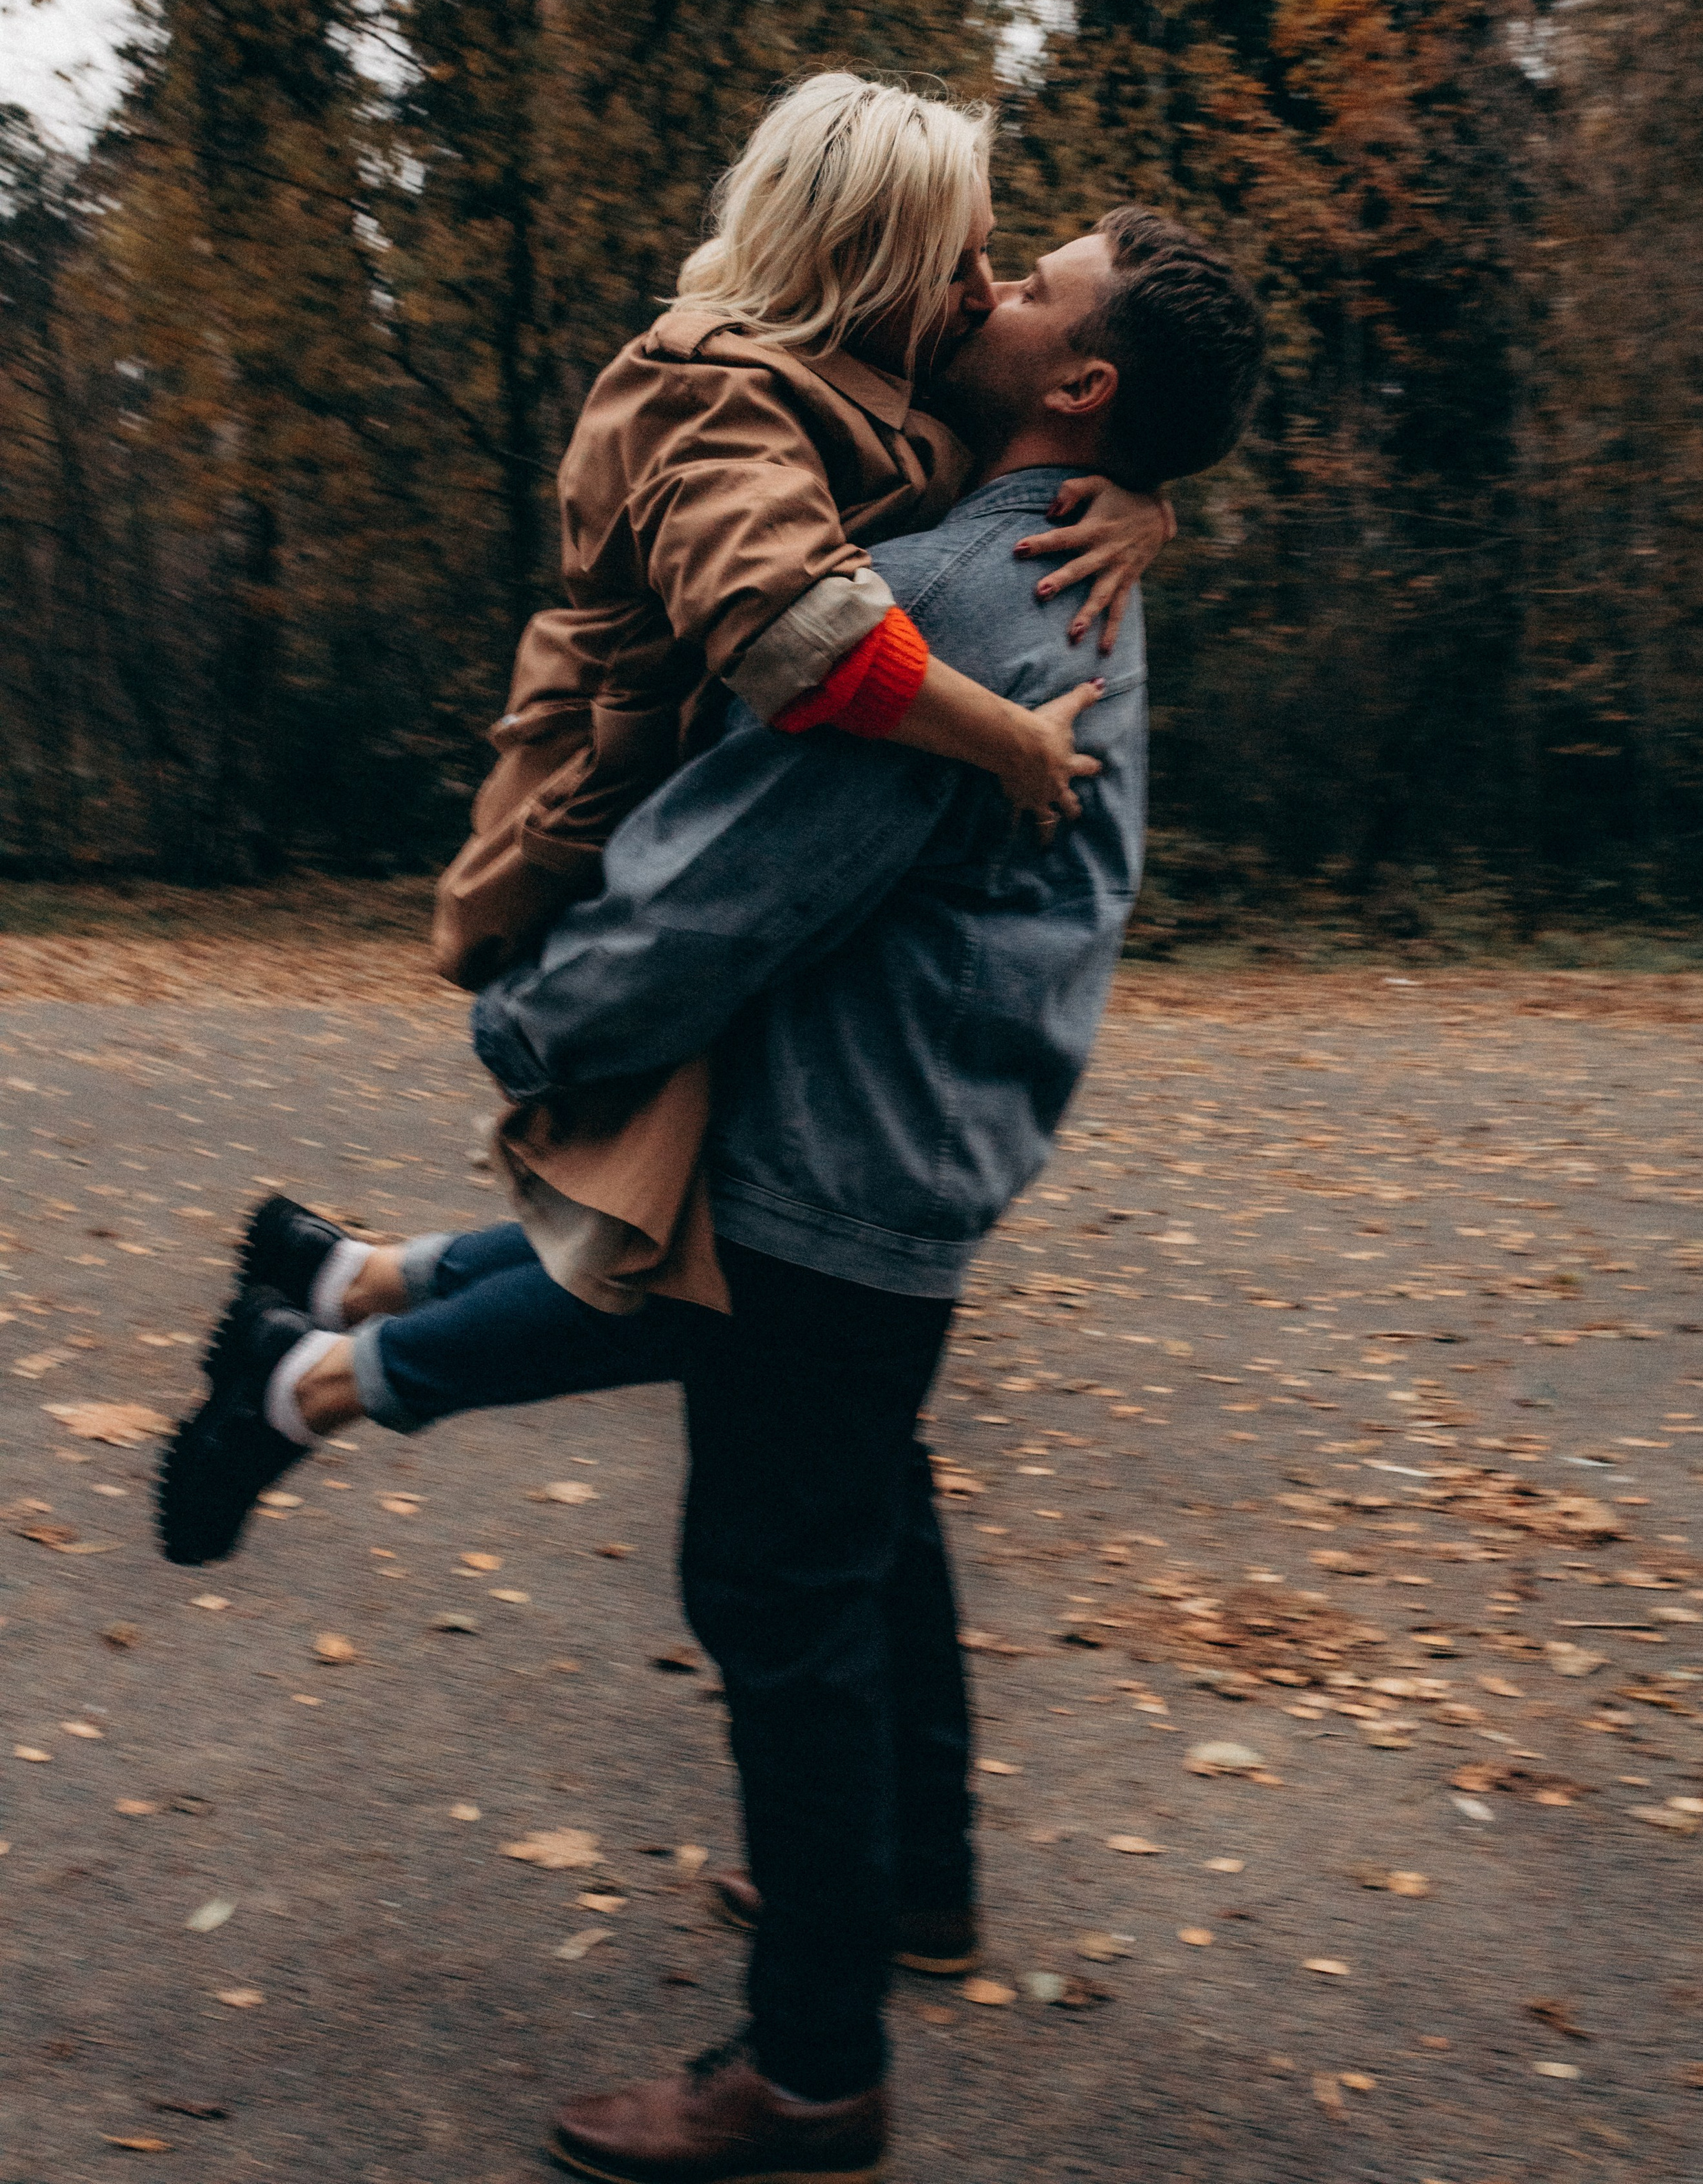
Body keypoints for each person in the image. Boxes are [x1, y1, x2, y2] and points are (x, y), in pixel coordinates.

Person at [157, 207, 1265, 2184]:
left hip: (841, 1161)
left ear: (1081, 390)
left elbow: (727, 883)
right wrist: (1153, 503)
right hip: (914, 1148)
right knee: (858, 1520)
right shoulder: (1060, 557)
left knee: (779, 1595)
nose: (984, 292)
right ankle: (908, 1891)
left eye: (1029, 288)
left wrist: (532, 1027)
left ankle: (813, 2077)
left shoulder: (956, 602)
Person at [428, 73, 1175, 1315]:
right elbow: (804, 639)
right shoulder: (712, 392)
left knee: (663, 1243)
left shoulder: (864, 366)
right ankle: (334, 1354)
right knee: (652, 1235)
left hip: (702, 780)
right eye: (962, 262)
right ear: (864, 268)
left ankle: (340, 1314)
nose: (985, 295)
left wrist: (1142, 500)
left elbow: (1075, 418)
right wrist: (1009, 744)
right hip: (596, 800)